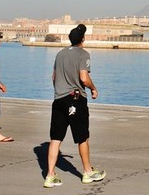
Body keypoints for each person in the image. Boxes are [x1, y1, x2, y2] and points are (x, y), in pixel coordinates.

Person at [44, 24, 105, 188]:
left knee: (55, 138)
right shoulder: (84, 54)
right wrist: (93, 88)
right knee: (82, 137)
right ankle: (87, 172)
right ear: (83, 39)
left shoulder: (60, 54)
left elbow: (54, 77)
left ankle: (50, 176)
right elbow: (84, 78)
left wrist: (59, 92)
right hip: (75, 99)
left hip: (58, 100)